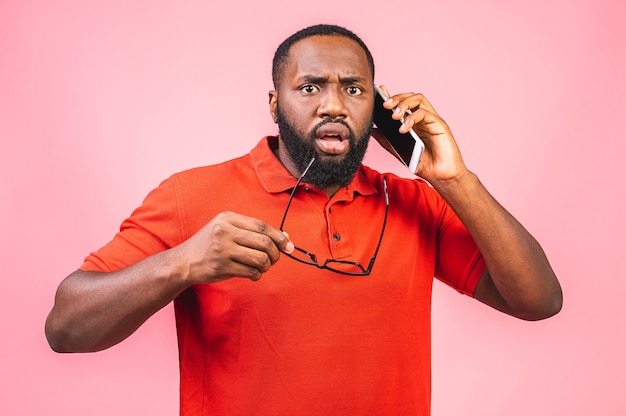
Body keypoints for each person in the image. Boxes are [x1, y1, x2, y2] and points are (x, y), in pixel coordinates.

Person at [45, 24, 562, 415]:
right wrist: (183, 264)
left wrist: (454, 179)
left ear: (379, 111)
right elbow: (66, 328)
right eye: (310, 87)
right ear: (275, 102)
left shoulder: (413, 203)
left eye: (354, 89)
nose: (333, 105)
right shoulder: (191, 195)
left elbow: (539, 300)